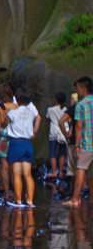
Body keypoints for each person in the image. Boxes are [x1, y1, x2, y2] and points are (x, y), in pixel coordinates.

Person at [4, 86, 40, 207]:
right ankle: (30, 201)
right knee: (28, 175)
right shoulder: (31, 113)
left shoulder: (12, 113)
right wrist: (34, 130)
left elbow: (4, 124)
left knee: (17, 175)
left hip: (16, 143)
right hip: (27, 144)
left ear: (17, 100)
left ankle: (18, 201)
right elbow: (37, 118)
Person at [63, 76, 93, 208]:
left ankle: (75, 199)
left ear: (84, 89)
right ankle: (92, 199)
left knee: (80, 170)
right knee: (91, 175)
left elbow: (79, 126)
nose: (77, 91)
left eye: (79, 88)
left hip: (87, 144)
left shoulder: (80, 105)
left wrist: (77, 145)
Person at [0, 83, 17, 200]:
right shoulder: (16, 107)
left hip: (3, 137)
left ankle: (7, 192)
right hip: (15, 137)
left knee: (4, 166)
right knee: (13, 165)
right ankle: (16, 190)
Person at [59, 91, 79, 189]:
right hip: (88, 142)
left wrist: (66, 135)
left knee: (74, 169)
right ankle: (86, 192)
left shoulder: (73, 108)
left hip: (74, 141)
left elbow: (61, 122)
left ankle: (75, 193)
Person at [46, 92, 68, 178]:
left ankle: (54, 172)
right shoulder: (66, 109)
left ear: (56, 99)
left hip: (53, 133)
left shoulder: (50, 109)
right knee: (62, 153)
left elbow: (47, 119)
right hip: (63, 133)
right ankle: (61, 172)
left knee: (52, 153)